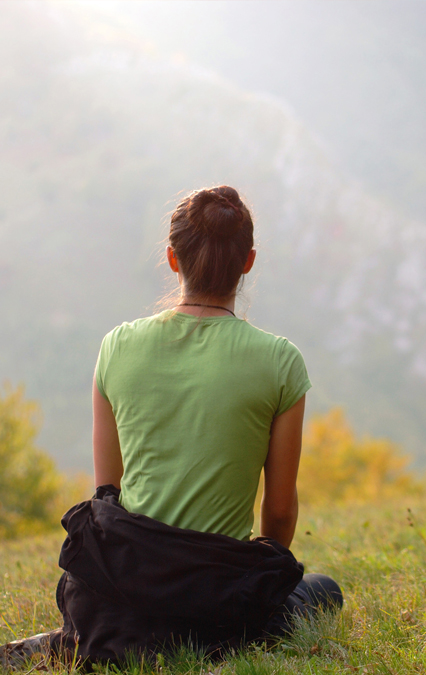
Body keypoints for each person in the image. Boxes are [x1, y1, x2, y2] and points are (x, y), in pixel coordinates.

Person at [1, 186, 342, 668]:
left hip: (124, 588)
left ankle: (85, 637)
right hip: (219, 597)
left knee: (127, 617)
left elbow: (107, 496)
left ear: (171, 259)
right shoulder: (282, 362)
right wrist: (258, 577)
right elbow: (280, 511)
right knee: (324, 591)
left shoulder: (117, 346)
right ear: (248, 262)